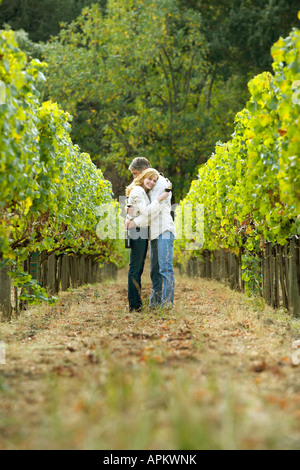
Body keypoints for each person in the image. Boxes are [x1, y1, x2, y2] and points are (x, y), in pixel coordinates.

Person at [126, 157, 176, 310]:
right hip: (154, 231)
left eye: (135, 174)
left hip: (163, 229)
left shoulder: (160, 183)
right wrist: (130, 211)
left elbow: (152, 211)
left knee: (165, 268)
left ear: (143, 171)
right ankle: (155, 303)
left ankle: (166, 305)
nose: (134, 177)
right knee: (155, 270)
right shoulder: (145, 186)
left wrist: (135, 222)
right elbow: (141, 207)